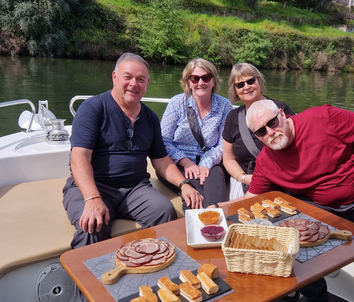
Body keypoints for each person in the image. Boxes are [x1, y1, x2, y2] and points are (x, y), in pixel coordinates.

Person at [244, 99, 354, 302]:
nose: (270, 132)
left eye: (272, 123)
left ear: (282, 114)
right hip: (322, 209)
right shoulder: (266, 161)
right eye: (261, 132)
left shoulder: (322, 118)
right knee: (287, 243)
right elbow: (251, 200)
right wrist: (215, 213)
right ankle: (318, 299)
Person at [62, 53, 202, 249]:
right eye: (127, 77)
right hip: (94, 186)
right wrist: (92, 198)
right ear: (114, 77)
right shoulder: (93, 108)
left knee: (164, 212)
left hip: (135, 189)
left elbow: (161, 160)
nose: (133, 84)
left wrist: (184, 184)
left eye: (140, 79)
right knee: (92, 226)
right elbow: (79, 158)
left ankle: (154, 268)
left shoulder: (150, 117)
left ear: (147, 83)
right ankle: (86, 279)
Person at [160, 58, 232, 208]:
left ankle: (216, 220)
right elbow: (163, 140)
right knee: (195, 193)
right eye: (195, 78)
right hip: (178, 162)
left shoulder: (224, 106)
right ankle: (197, 226)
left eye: (205, 78)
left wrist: (206, 164)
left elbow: (222, 144)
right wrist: (185, 162)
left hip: (211, 162)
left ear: (213, 81)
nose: (200, 83)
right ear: (188, 82)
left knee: (216, 183)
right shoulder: (177, 103)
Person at [222, 63, 295, 200]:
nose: (247, 87)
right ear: (235, 90)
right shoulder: (232, 118)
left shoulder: (280, 109)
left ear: (259, 81)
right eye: (240, 85)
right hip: (247, 180)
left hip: (282, 178)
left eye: (251, 81)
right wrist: (243, 178)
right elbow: (228, 158)